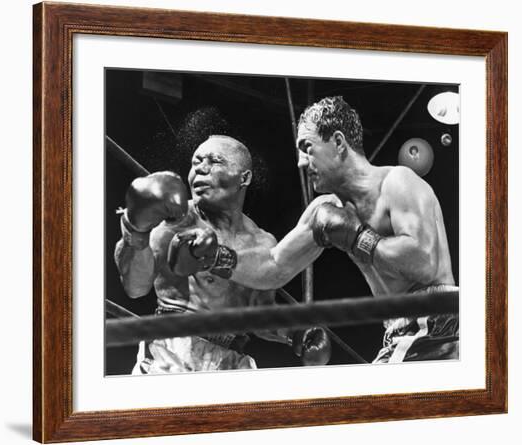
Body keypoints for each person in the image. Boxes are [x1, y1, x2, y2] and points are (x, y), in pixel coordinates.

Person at [183, 97, 458, 364]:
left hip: (438, 324)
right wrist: (216, 256)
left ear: (338, 142)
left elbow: (423, 263)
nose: (302, 162)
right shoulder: (324, 209)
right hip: (398, 332)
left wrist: (357, 236)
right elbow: (273, 266)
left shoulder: (397, 181)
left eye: (307, 147)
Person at [114, 135, 331, 373]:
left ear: (244, 178)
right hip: (172, 349)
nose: (200, 170)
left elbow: (258, 314)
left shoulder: (261, 242)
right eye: (196, 163)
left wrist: (294, 333)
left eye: (214, 161)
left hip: (231, 359)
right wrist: (134, 231)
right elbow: (135, 288)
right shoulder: (176, 222)